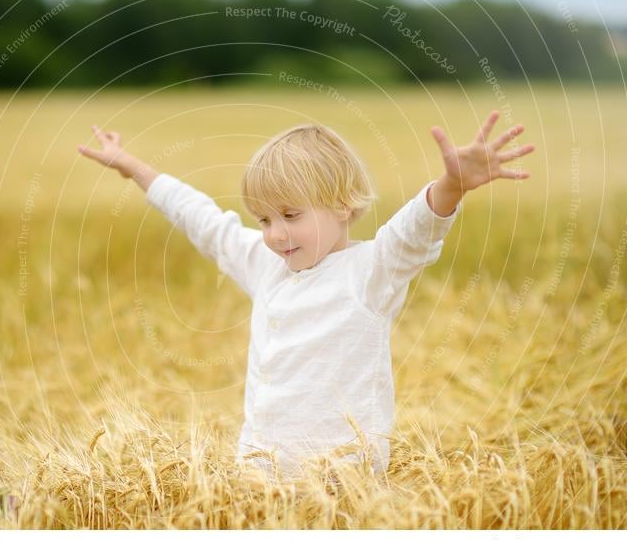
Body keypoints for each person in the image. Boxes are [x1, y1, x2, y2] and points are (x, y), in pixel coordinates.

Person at [78, 111, 534, 481]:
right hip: (258, 475)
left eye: (291, 215)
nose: (275, 234)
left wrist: (452, 186)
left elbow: (415, 231)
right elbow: (206, 223)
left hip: (342, 482)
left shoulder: (372, 271)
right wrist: (133, 168)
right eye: (263, 219)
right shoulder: (266, 265)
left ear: (342, 204)